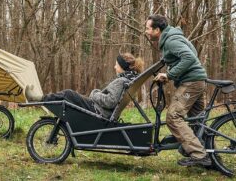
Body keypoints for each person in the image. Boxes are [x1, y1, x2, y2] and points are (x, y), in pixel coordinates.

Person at [145, 14, 210, 166]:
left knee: (173, 117)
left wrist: (169, 75)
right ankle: (209, 153)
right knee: (198, 122)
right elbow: (191, 53)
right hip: (197, 81)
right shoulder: (174, 37)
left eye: (148, 29)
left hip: (191, 83)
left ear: (157, 29)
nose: (146, 32)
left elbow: (189, 58)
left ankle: (199, 155)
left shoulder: (171, 41)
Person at [25, 53, 144, 119]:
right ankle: (40, 98)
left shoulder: (121, 81)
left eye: (116, 65)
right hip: (100, 110)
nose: (114, 67)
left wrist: (95, 94)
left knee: (68, 94)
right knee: (70, 95)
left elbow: (110, 102)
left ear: (122, 67)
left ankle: (38, 98)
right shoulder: (127, 79)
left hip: (99, 111)